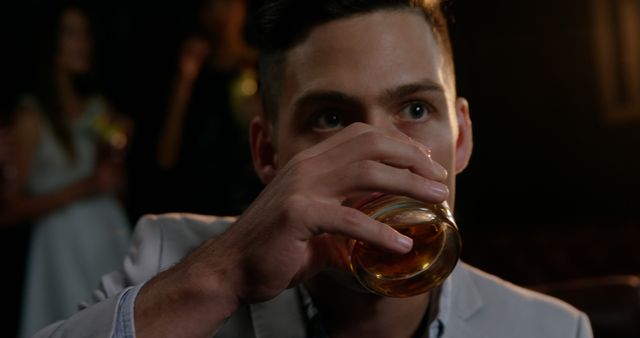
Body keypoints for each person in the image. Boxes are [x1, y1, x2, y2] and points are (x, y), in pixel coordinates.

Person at [33, 0, 593, 337]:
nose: (377, 155)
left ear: (463, 137)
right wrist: (226, 275)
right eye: (330, 118)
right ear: (267, 154)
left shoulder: (553, 329)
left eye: (416, 110)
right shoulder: (168, 257)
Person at [8, 5, 132, 338]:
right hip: (61, 246)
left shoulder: (96, 109)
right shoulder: (30, 115)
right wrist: (87, 185)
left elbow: (118, 185)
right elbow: (10, 208)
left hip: (107, 232)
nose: (83, 43)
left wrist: (115, 156)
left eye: (86, 34)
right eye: (71, 33)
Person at [156, 0, 262, 216]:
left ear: (243, 7)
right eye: (210, 5)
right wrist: (185, 80)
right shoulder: (192, 73)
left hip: (250, 205)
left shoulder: (261, 67)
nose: (219, 14)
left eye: (227, 3)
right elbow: (166, 157)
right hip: (198, 207)